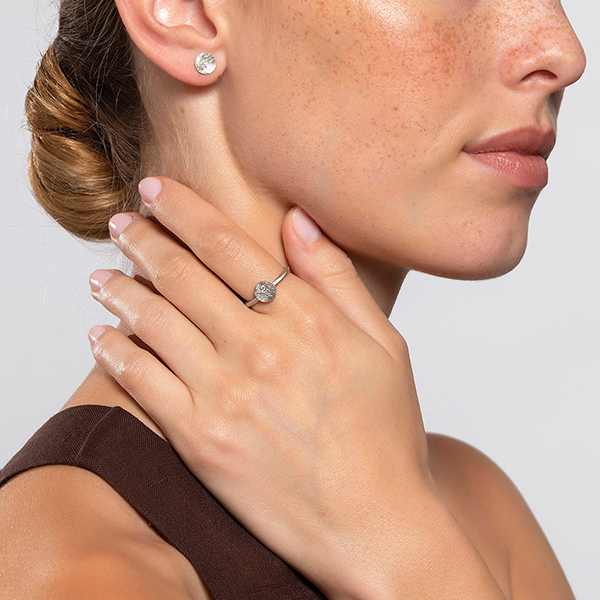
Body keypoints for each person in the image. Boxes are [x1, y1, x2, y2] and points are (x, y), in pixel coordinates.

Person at [0, 0, 587, 598]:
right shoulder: (82, 574)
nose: (565, 53)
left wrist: (400, 537)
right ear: (186, 13)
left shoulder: (479, 510)